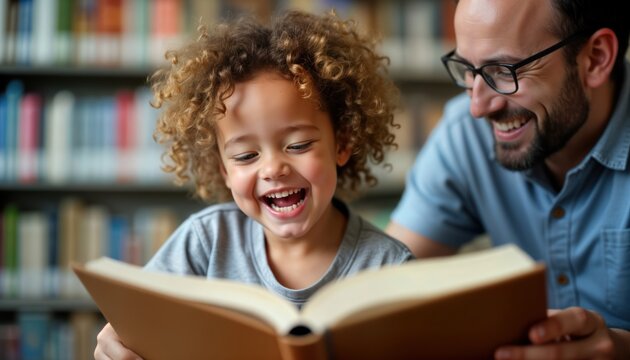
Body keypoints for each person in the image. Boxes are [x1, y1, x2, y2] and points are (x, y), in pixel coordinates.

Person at [94, 10, 413, 359]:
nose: (273, 168)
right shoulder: (204, 244)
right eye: (246, 156)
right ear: (224, 171)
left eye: (298, 145)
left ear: (342, 144)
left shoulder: (390, 267)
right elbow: (132, 333)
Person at [386, 0, 630, 358]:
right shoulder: (464, 136)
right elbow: (383, 287)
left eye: (503, 70)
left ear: (595, 58)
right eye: (468, 70)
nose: (478, 107)